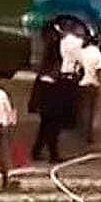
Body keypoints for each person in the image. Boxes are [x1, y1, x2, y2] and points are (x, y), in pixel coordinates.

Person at [28, 36, 66, 164]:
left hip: (45, 105)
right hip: (51, 104)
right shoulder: (52, 75)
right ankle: (52, 155)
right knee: (51, 129)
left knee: (44, 128)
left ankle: (37, 151)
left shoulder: (44, 73)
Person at [77, 33, 101, 144]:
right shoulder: (97, 53)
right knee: (91, 110)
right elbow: (99, 67)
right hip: (93, 83)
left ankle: (81, 129)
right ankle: (89, 133)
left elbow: (78, 65)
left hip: (82, 83)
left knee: (82, 107)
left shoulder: (82, 52)